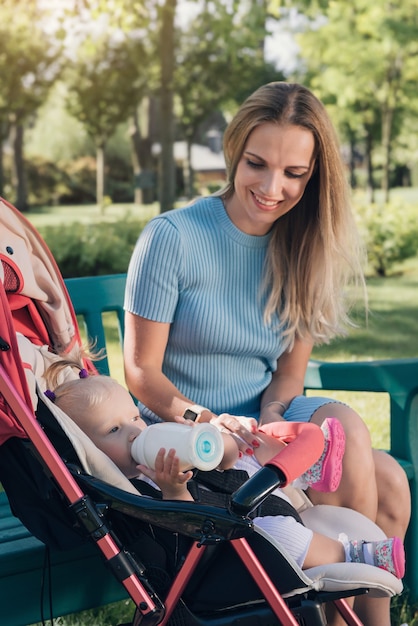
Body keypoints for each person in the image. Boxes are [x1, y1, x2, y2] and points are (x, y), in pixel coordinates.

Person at [123, 82, 410, 625]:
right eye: (257, 163)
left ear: (313, 175)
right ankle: (329, 612)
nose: (272, 187)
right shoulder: (173, 237)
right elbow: (141, 373)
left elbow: (285, 382)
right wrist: (212, 421)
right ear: (235, 150)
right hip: (193, 440)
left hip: (263, 435)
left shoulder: (303, 247)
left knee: (358, 443)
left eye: (294, 174)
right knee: (385, 477)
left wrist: (274, 422)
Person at [42, 359, 404, 585]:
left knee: (240, 451)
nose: (136, 431)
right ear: (89, 448)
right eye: (114, 430)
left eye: (134, 418)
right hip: (217, 546)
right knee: (278, 536)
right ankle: (355, 555)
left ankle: (307, 469)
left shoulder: (152, 454)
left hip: (237, 499)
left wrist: (215, 443)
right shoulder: (127, 490)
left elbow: (223, 465)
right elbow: (180, 528)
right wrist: (172, 488)